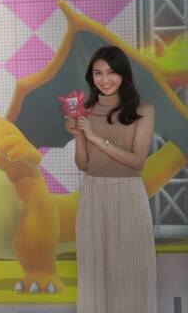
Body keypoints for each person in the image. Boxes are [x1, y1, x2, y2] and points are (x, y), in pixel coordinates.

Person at [64, 45, 156, 312]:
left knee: (131, 269)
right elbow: (83, 165)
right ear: (91, 77)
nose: (105, 79)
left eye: (112, 72)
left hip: (128, 194)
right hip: (92, 194)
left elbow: (137, 161)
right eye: (98, 73)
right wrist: (78, 136)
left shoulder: (143, 110)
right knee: (94, 269)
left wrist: (95, 138)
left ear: (123, 74)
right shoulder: (85, 111)